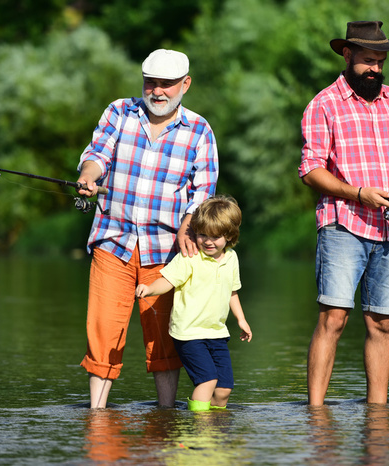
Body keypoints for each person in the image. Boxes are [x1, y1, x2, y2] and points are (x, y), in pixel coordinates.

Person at [76, 49, 219, 408]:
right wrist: (88, 177)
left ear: (185, 84)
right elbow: (97, 155)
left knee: (164, 338)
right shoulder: (119, 111)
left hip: (169, 251)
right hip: (113, 241)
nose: (157, 91)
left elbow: (204, 191)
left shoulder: (199, 130)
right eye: (151, 83)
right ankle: (96, 414)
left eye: (167, 85)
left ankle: (166, 413)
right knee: (103, 330)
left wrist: (189, 222)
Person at [298, 21, 389, 405]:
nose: (376, 69)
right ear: (347, 55)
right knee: (333, 319)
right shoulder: (323, 104)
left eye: (381, 62)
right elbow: (311, 170)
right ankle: (316, 412)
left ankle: (378, 412)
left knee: (383, 323)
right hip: (342, 226)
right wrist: (357, 194)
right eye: (369, 60)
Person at [135, 196, 252, 411]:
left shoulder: (231, 259)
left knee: (224, 388)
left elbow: (232, 292)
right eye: (202, 234)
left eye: (215, 236)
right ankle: (199, 426)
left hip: (216, 332)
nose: (208, 241)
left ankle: (215, 426)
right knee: (207, 381)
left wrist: (242, 320)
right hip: (189, 334)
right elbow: (167, 281)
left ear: (229, 235)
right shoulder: (189, 258)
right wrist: (149, 289)